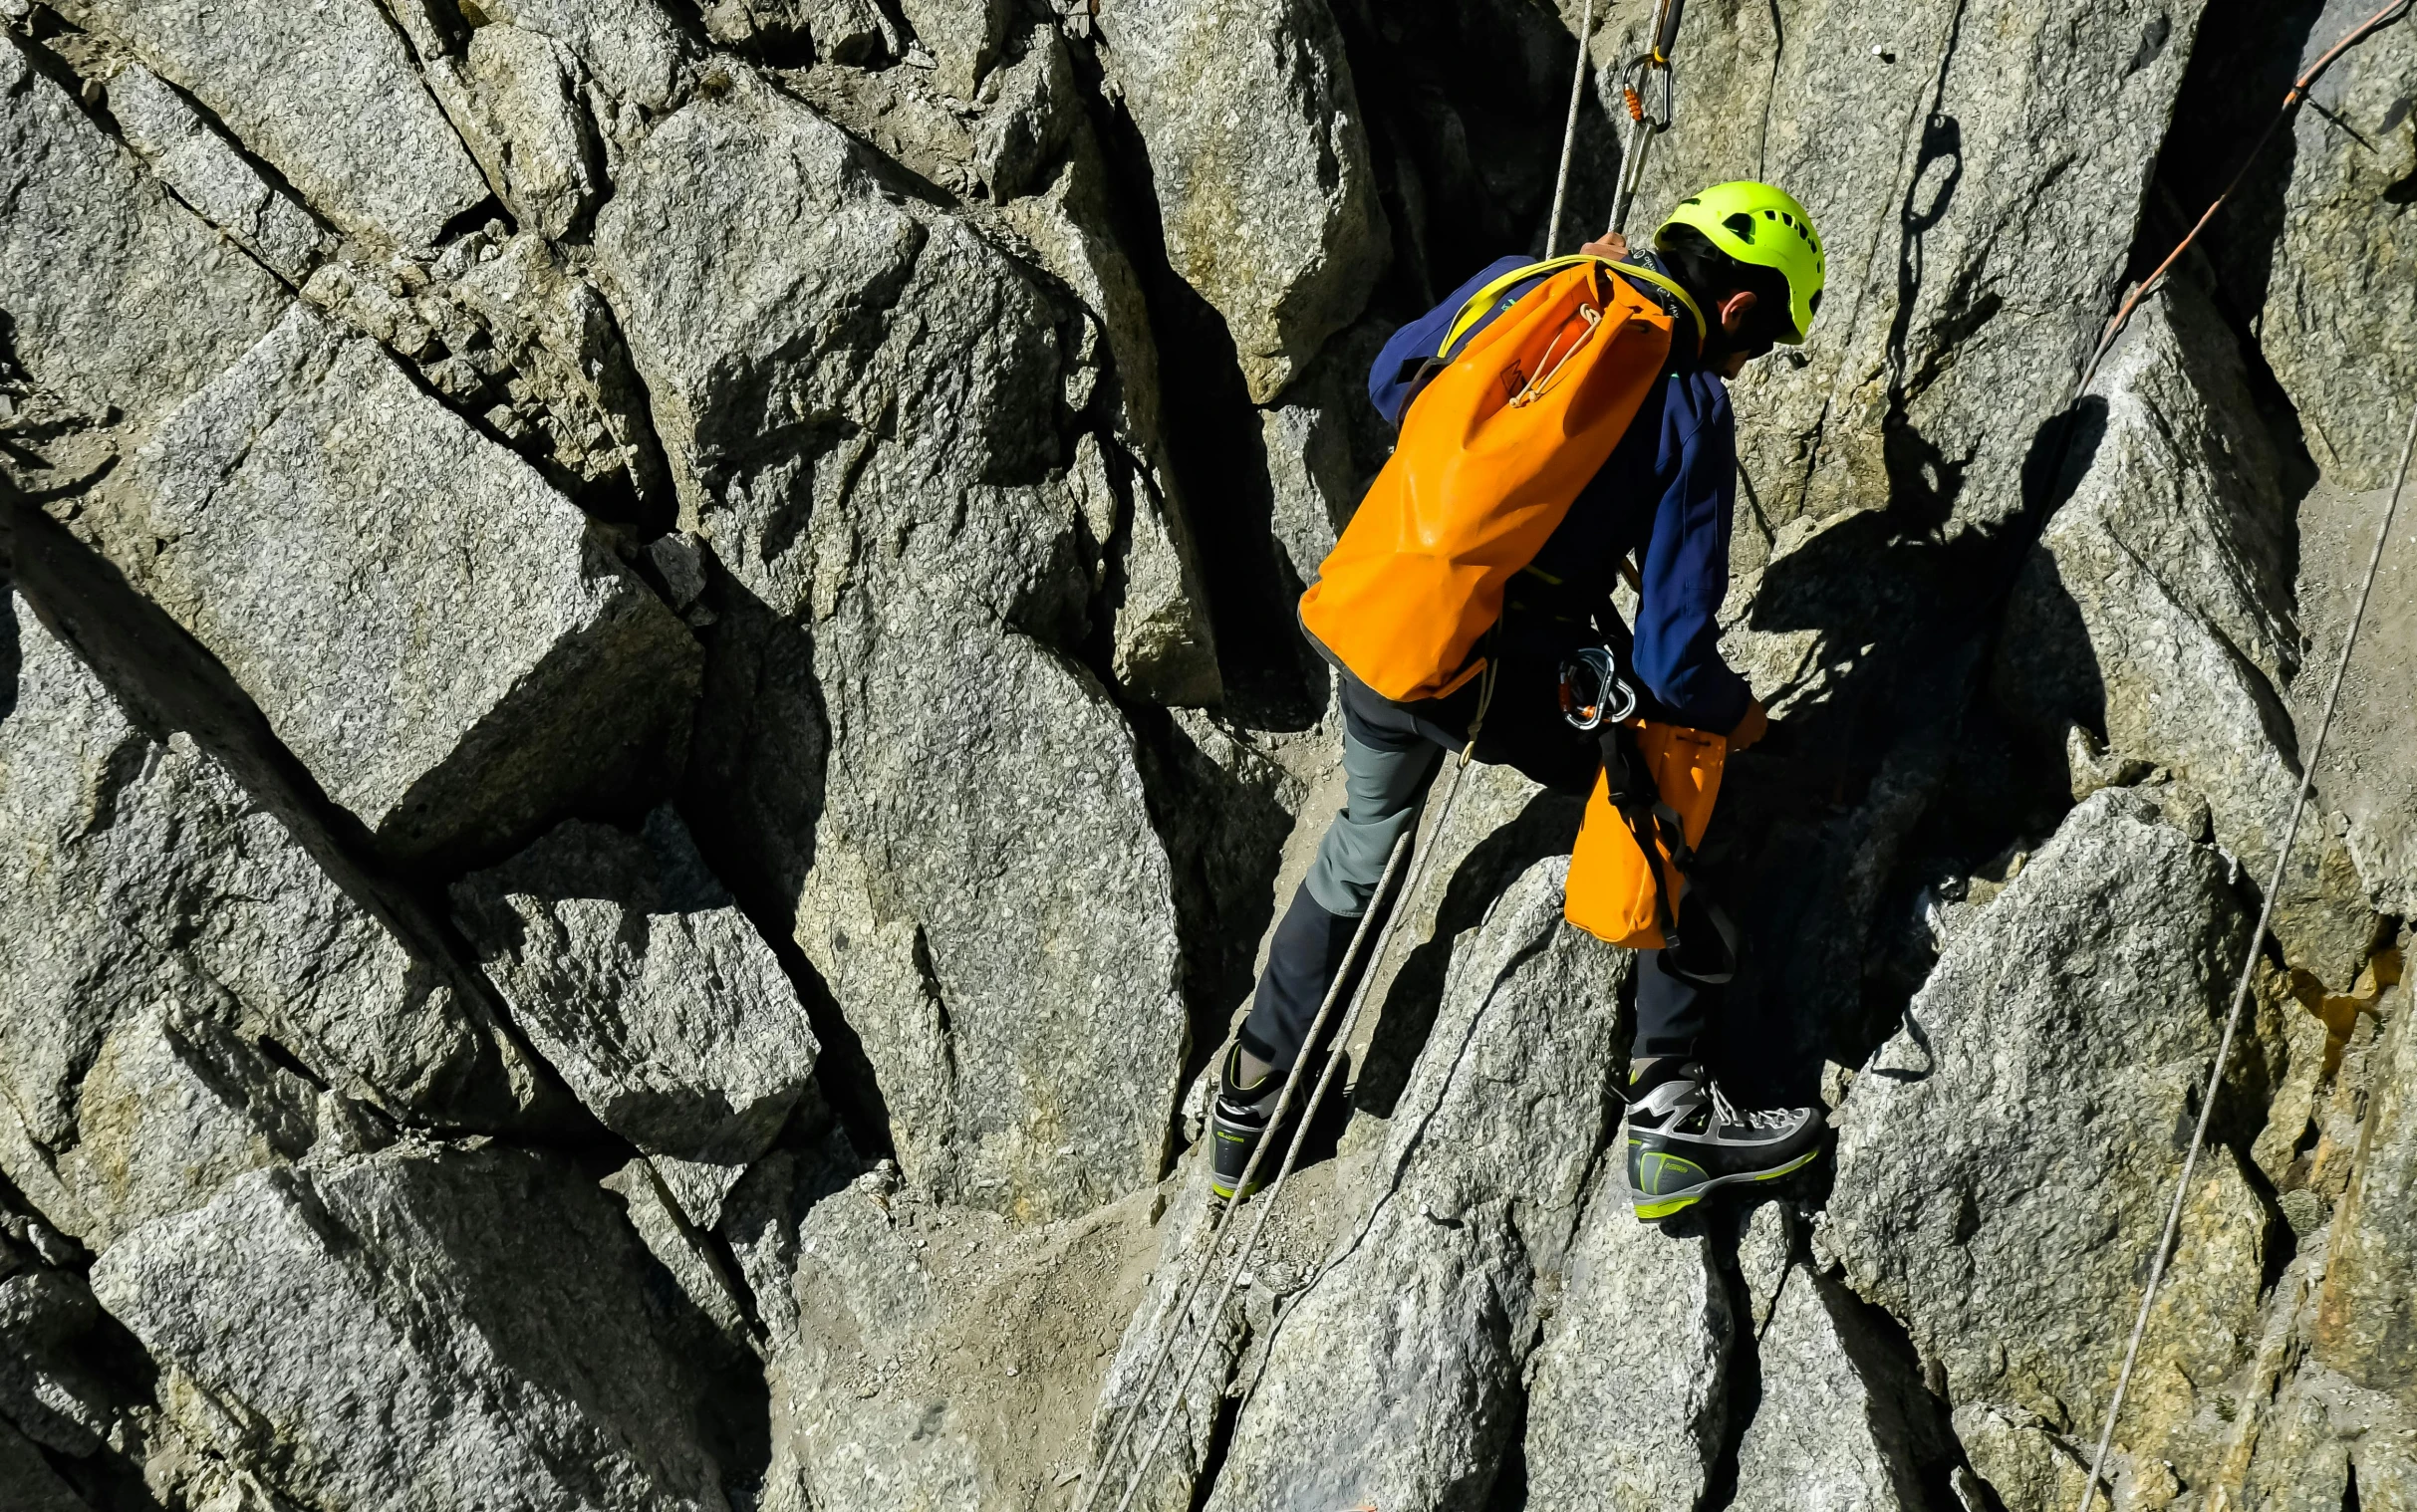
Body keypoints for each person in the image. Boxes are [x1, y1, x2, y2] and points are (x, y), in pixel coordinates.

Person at [1210, 182, 1830, 1220]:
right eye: (1759, 341)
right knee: (1681, 777)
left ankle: (1250, 1103)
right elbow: (1676, 665)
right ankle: (1671, 1117)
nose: (1744, 364)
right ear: (1736, 309)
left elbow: (1389, 380)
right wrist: (1741, 720)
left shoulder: (1532, 285)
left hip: (1384, 618)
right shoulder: (1687, 406)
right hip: (1497, 671)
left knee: (1362, 842)